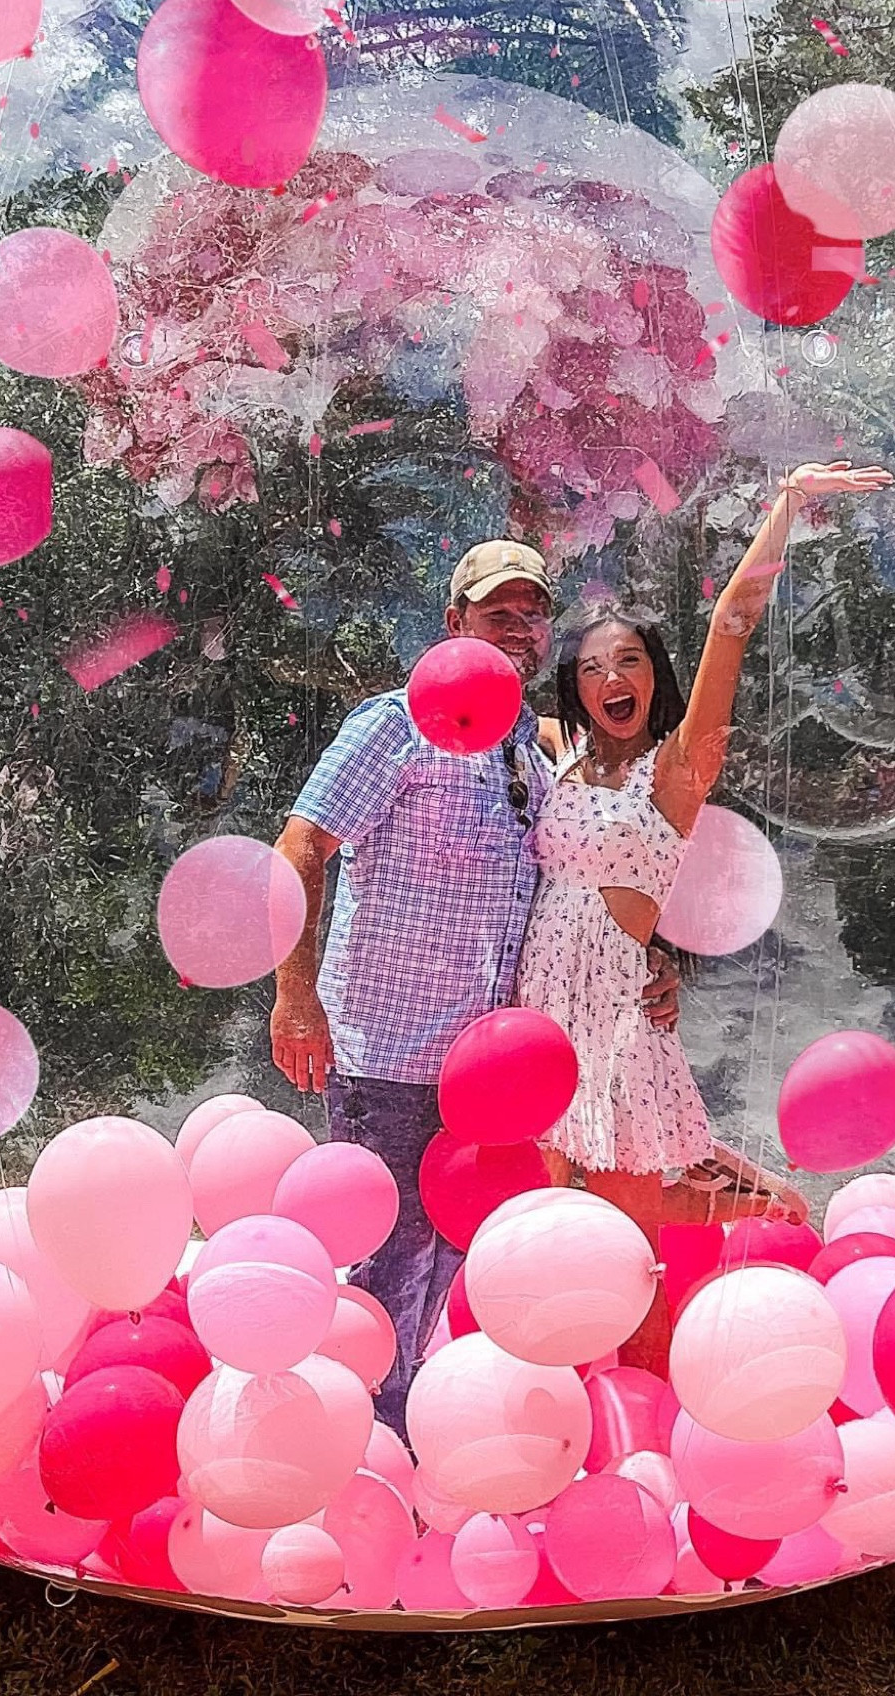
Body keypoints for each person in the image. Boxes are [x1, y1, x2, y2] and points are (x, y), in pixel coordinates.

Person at [269, 538, 681, 1433]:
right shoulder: (395, 724)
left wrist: (647, 959)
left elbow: (570, 897)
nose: (521, 629)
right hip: (388, 1054)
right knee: (385, 1265)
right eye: (500, 613)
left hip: (489, 1081)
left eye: (534, 615)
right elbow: (301, 850)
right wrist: (295, 997)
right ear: (454, 622)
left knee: (452, 1256)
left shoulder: (532, 766)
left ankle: (409, 1440)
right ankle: (353, 1447)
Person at [516, 459, 894, 1375]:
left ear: (654, 678)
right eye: (594, 665)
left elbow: (732, 625)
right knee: (557, 1218)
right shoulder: (560, 753)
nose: (612, 676)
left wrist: (787, 506)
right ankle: (736, 1190)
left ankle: (646, 1425)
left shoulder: (679, 771)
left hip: (612, 1022)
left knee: (621, 1251)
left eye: (631, 661)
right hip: (538, 1016)